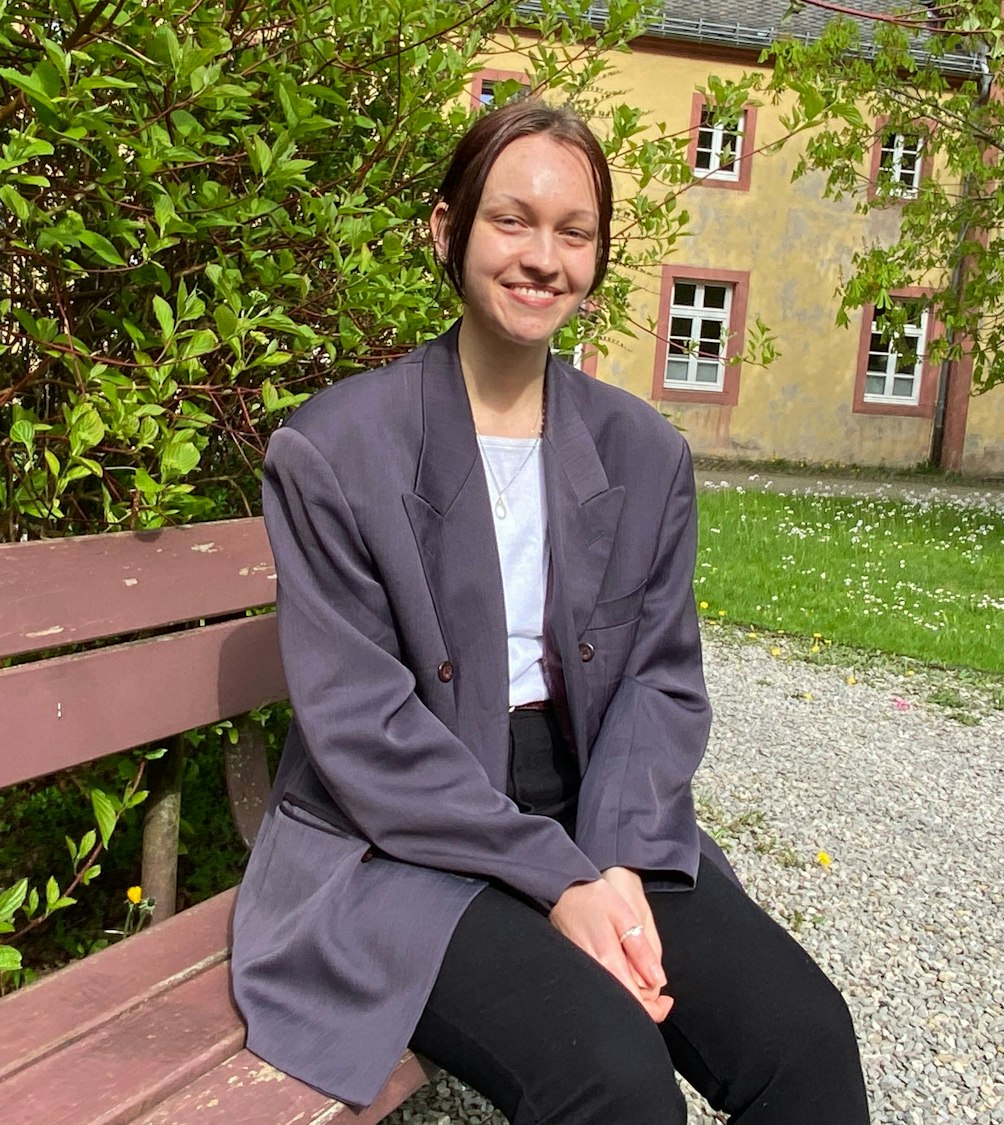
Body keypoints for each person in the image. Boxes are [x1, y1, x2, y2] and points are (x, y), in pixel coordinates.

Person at [229, 97, 869, 1123]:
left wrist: (608, 861)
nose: (543, 257)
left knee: (803, 1037)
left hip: (600, 806)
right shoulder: (334, 450)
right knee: (610, 1078)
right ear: (447, 231)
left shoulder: (641, 453)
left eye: (574, 232)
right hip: (401, 837)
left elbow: (659, 682)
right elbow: (364, 731)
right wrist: (558, 882)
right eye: (511, 221)